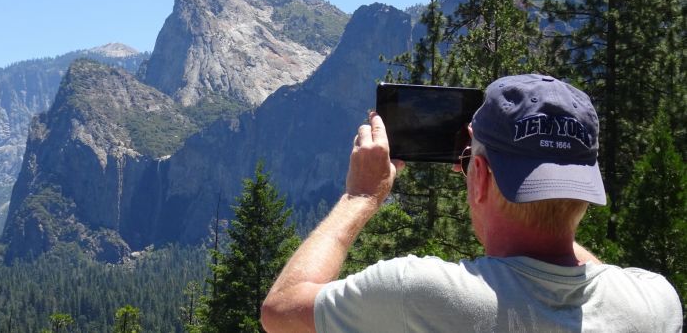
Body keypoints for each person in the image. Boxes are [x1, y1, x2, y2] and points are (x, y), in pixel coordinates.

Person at [261, 74, 683, 332]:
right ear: (585, 188)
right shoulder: (656, 303)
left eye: (470, 162)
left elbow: (280, 311)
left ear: (478, 177)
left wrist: (361, 196)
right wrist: (555, 213)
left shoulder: (423, 294)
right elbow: (585, 269)